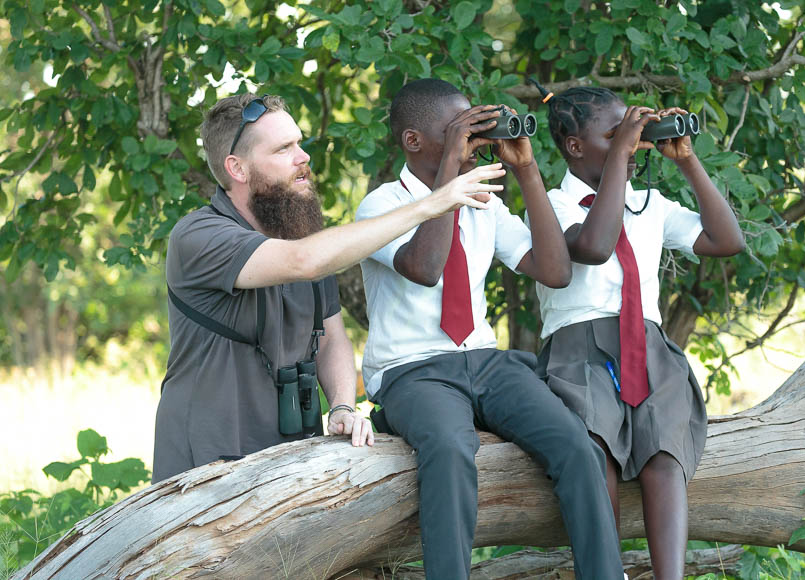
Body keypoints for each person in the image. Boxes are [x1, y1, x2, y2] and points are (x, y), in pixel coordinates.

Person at [152, 93, 505, 483]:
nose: (303, 157)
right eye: (284, 149)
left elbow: (331, 338)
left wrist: (341, 406)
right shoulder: (199, 235)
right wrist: (432, 204)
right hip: (208, 452)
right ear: (237, 167)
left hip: (291, 450)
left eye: (300, 143)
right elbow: (303, 261)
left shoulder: (305, 237)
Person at [355, 78, 624, 579]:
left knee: (574, 443)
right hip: (413, 371)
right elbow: (424, 267)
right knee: (452, 448)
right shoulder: (381, 205)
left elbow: (556, 272)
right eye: (458, 129)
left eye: (475, 128)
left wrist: (526, 171)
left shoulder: (487, 202)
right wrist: (451, 179)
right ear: (413, 141)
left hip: (484, 360)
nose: (473, 139)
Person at [532, 87, 745, 579]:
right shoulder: (554, 205)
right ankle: (608, 573)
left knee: (663, 452)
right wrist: (619, 162)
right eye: (614, 135)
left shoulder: (651, 203)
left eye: (632, 135)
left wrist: (688, 162)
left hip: (647, 347)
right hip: (577, 347)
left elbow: (726, 240)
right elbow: (594, 246)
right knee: (595, 448)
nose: (631, 145)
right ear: (574, 147)